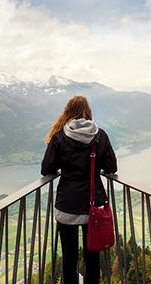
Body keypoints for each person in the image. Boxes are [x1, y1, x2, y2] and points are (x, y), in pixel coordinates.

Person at [41, 95, 118, 284]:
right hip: (93, 206)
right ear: (88, 111)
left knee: (69, 258)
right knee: (92, 258)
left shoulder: (59, 137)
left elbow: (46, 169)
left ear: (67, 112)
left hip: (67, 205)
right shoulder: (100, 136)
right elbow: (111, 167)